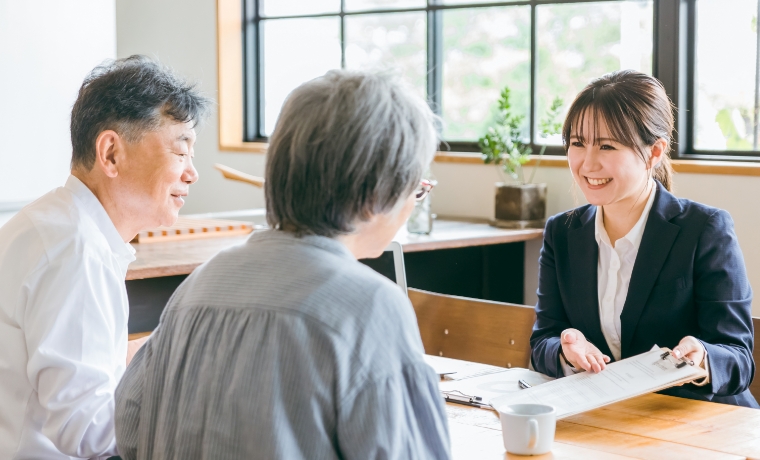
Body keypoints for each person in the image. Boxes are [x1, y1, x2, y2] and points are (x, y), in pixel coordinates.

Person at [114, 70, 450, 460]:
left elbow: (131, 430)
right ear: (377, 195)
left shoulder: (200, 285)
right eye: (416, 189)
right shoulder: (370, 307)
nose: (413, 203)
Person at [0, 55, 209, 459]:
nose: (191, 173)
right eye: (180, 152)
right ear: (111, 153)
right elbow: (89, 432)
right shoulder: (76, 251)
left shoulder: (53, 222)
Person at [530, 70, 758, 408]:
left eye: (607, 145)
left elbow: (738, 357)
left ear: (654, 152)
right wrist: (565, 350)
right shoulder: (562, 233)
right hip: (610, 419)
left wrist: (703, 359)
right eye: (578, 143)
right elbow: (542, 341)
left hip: (702, 423)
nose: (587, 163)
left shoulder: (706, 229)